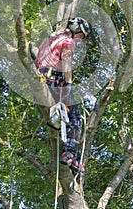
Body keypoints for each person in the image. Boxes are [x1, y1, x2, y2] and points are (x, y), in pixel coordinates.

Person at [36, 17, 91, 171]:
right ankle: (70, 154)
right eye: (81, 36)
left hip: (42, 82)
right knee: (75, 118)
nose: (79, 41)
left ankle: (68, 147)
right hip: (55, 81)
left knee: (62, 117)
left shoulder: (50, 41)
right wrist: (69, 83)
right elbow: (66, 63)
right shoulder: (68, 42)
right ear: (76, 31)